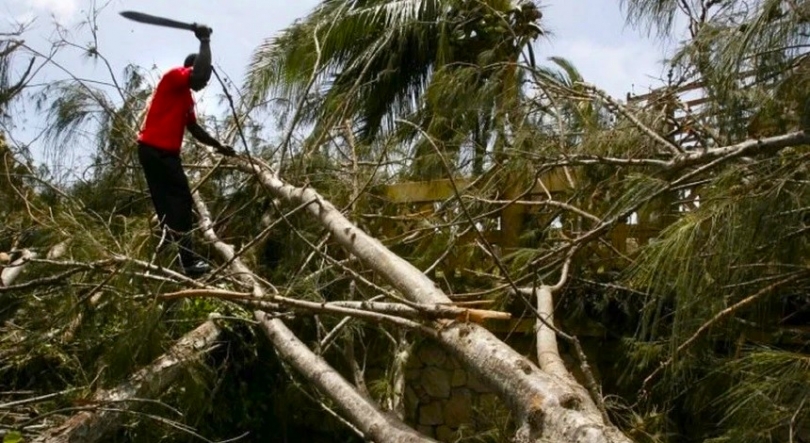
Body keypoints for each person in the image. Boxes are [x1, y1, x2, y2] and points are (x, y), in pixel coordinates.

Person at [136, 24, 236, 277]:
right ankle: (187, 262)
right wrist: (204, 39)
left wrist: (219, 147)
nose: (204, 84)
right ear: (192, 68)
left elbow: (194, 129)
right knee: (180, 202)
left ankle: (172, 256)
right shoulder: (174, 77)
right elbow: (200, 74)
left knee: (169, 206)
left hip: (158, 154)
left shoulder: (186, 99)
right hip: (155, 151)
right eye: (203, 78)